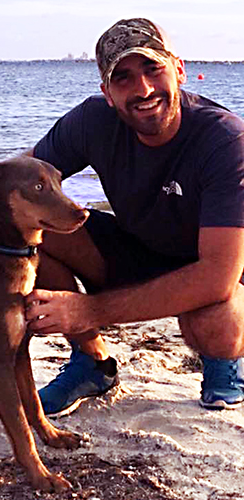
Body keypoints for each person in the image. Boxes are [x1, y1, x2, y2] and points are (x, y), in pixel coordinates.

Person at [24, 17, 244, 417]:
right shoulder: (92, 121)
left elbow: (217, 274)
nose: (142, 90)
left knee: (214, 328)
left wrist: (86, 309)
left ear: (178, 70)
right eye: (123, 78)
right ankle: (92, 364)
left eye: (152, 69)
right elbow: (23, 180)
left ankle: (225, 364)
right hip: (137, 247)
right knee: (30, 227)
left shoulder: (225, 140)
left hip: (215, 266)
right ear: (107, 92)